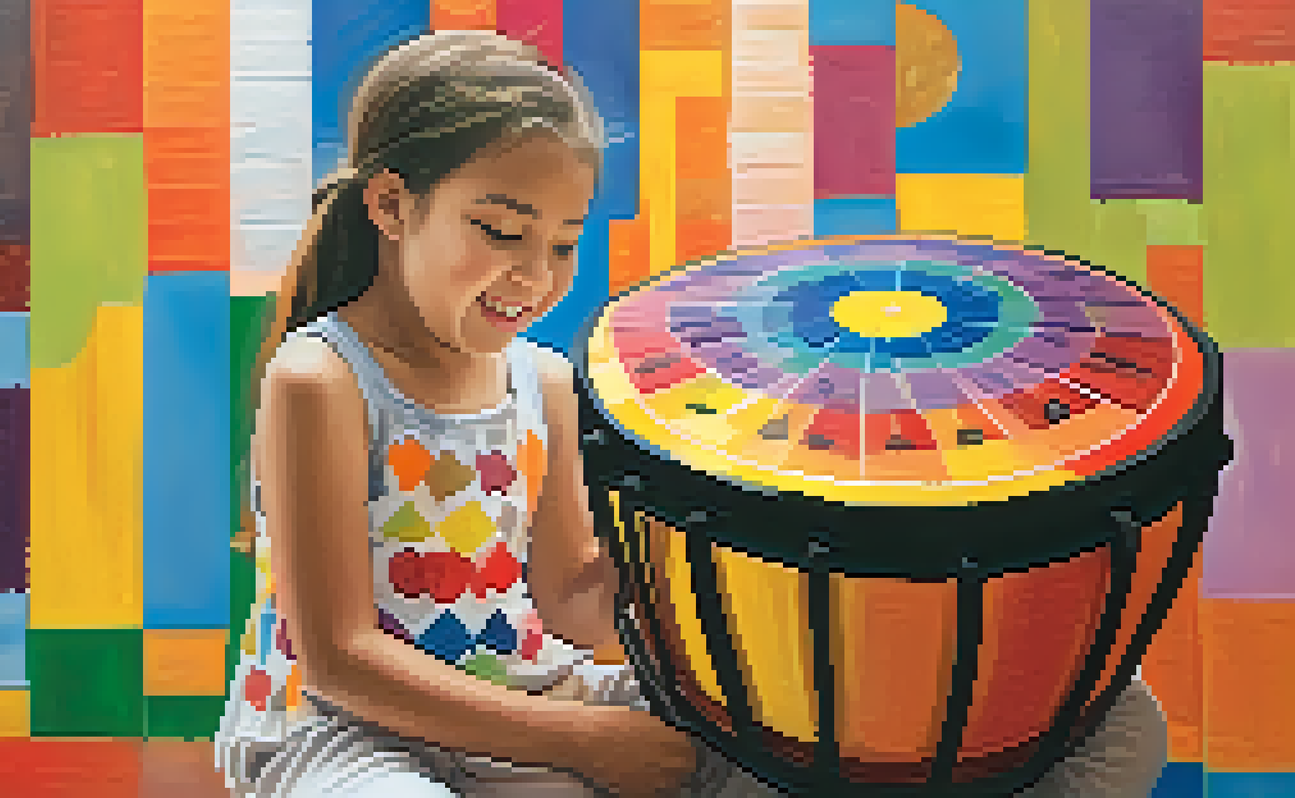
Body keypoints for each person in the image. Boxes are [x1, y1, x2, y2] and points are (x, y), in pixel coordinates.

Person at [215, 29, 1169, 798]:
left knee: (1112, 721)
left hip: (530, 694)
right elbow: (341, 661)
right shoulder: (322, 377)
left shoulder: (541, 380)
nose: (534, 277)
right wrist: (587, 742)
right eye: (501, 231)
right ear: (391, 203)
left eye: (562, 243)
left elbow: (571, 604)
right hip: (340, 737)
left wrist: (755, 559)